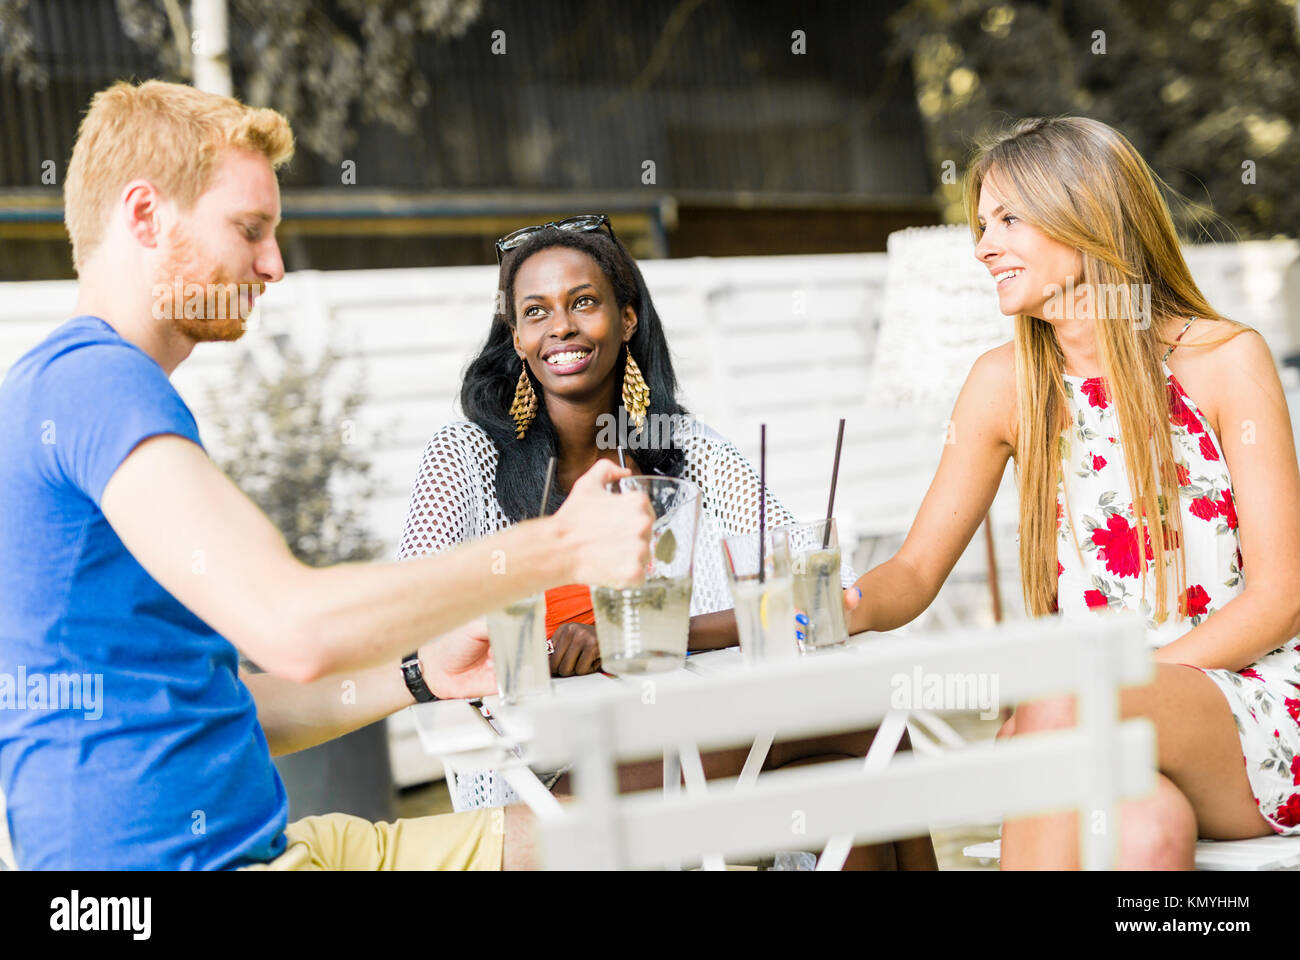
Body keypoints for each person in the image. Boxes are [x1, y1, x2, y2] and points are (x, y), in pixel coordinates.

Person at [0, 80, 654, 870]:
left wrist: (421, 673)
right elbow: (295, 628)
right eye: (249, 229)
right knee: (624, 841)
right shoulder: (97, 384)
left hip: (271, 847)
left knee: (603, 834)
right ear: (145, 214)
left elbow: (229, 706)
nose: (272, 265)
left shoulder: (63, 391)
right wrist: (561, 545)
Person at [397, 217, 938, 869]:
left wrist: (660, 633)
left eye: (584, 302)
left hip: (692, 735)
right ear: (516, 338)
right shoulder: (466, 459)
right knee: (871, 733)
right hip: (542, 773)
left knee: (856, 785)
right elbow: (414, 622)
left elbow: (801, 593)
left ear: (627, 319)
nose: (560, 326)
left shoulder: (688, 451)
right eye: (536, 311)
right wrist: (547, 646)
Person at [845, 116, 1300, 868]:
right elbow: (915, 573)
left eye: (1010, 218)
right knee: (1144, 830)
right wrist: (834, 603)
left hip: (1249, 700)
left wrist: (1094, 695)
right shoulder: (1005, 384)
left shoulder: (1224, 361)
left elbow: (1282, 596)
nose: (985, 244)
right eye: (983, 222)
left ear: (1087, 216)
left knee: (1060, 696)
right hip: (1099, 722)